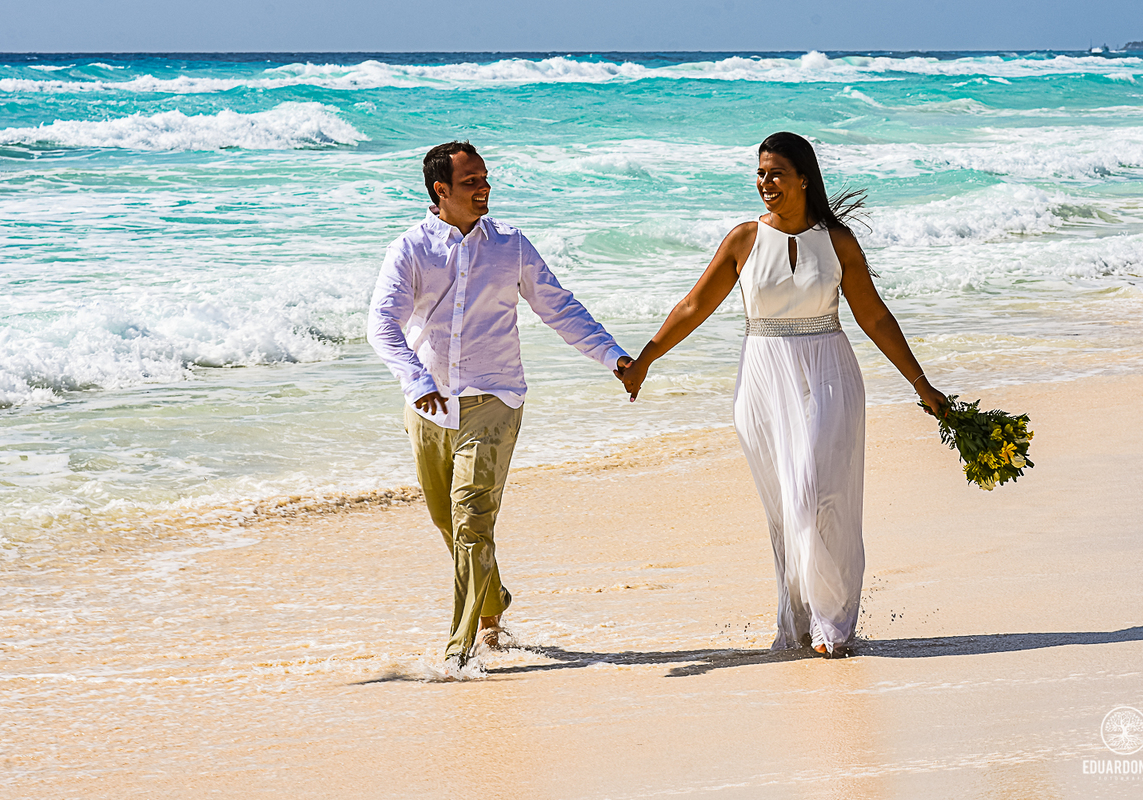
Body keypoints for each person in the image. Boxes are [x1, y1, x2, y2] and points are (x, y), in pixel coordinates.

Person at [620, 132, 947, 659]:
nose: (764, 183)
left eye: (774, 173)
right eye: (759, 173)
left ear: (803, 178)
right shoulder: (744, 240)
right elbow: (692, 306)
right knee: (787, 507)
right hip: (764, 381)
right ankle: (797, 620)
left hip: (829, 374)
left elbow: (874, 315)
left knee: (820, 496)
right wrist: (645, 360)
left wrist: (921, 383)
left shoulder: (837, 242)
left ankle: (832, 623)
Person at [368, 141, 632, 668]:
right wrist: (417, 382)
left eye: (486, 177)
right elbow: (382, 325)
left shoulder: (511, 245)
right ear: (440, 190)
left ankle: (459, 650)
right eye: (471, 182)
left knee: (472, 520)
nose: (484, 187)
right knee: (448, 521)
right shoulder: (411, 248)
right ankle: (492, 603)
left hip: (495, 399)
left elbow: (559, 308)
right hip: (428, 406)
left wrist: (614, 357)